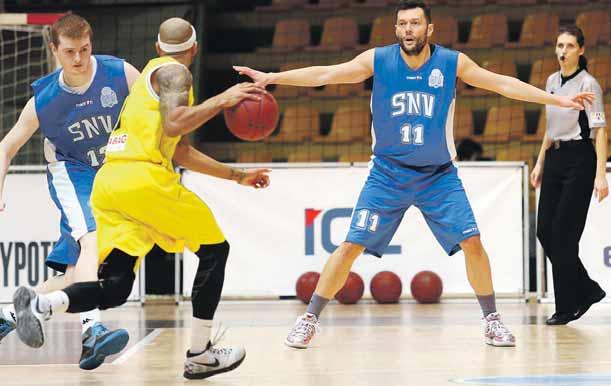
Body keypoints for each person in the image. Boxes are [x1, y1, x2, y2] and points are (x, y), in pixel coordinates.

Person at [234, 0, 594, 349]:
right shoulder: (379, 59)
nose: (409, 30)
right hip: (387, 175)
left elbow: (502, 83)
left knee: (473, 243)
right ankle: (309, 319)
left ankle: (492, 320)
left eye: (415, 23)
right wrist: (273, 77)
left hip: (438, 176)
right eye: (403, 24)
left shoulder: (452, 63)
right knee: (349, 247)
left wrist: (557, 100)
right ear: (396, 29)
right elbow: (326, 74)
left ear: (429, 28)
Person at [11, 17, 269, 380]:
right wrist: (224, 98)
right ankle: (200, 354)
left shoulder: (148, 74)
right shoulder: (175, 74)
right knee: (214, 250)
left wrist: (238, 176)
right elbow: (176, 123)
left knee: (116, 287)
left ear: (157, 47)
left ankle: (42, 305)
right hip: (143, 180)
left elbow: (180, 151)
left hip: (111, 183)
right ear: (193, 50)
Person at [0, 14, 140, 370]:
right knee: (91, 241)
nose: (78, 59)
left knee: (86, 267)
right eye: (70, 52)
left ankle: (14, 312)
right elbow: (7, 146)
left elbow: (154, 115)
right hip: (72, 174)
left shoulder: (120, 73)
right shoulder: (45, 101)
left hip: (114, 176)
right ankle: (92, 330)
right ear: (54, 50)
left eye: (84, 50)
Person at [530, 25, 607, 325]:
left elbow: (600, 132)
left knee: (563, 234)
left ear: (581, 50)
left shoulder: (589, 84)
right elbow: (550, 129)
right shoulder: (551, 80)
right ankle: (587, 289)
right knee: (544, 232)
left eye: (570, 46)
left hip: (580, 160)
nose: (563, 51)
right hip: (554, 158)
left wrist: (600, 175)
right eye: (559, 45)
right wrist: (539, 162)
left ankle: (566, 306)